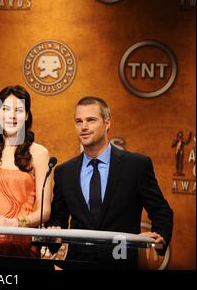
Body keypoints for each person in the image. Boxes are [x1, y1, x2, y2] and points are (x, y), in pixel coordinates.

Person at [47, 96, 173, 269]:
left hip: (121, 264)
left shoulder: (136, 166)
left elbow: (161, 210)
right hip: (77, 263)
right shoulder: (63, 172)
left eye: (91, 120)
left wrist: (161, 235)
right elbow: (58, 218)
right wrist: (53, 234)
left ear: (107, 123)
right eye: (78, 121)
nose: (83, 127)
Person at [0, 85, 51, 257]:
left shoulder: (39, 154)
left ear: (26, 116)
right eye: (6, 109)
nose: (12, 116)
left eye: (19, 110)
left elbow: (45, 211)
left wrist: (13, 224)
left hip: (22, 246)